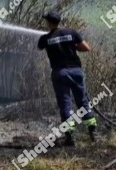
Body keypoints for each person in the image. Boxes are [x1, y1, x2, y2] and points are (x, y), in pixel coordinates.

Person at [37, 12, 98, 146]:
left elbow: (40, 46)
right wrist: (72, 46)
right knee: (83, 101)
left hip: (60, 74)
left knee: (65, 104)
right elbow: (86, 48)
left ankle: (70, 138)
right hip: (76, 72)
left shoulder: (45, 38)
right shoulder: (71, 32)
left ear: (48, 22)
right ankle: (93, 134)